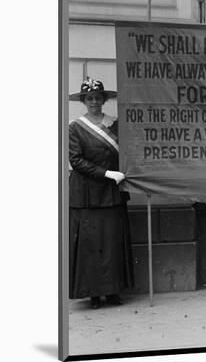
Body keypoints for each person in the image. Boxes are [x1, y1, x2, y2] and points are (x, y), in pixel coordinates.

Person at [68, 77, 134, 309]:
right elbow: (76, 160)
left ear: (104, 100)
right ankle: (93, 294)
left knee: (113, 242)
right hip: (87, 194)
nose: (94, 102)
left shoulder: (114, 124)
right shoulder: (75, 127)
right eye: (89, 98)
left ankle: (113, 292)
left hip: (112, 193)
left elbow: (126, 152)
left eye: (97, 98)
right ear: (84, 101)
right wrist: (106, 173)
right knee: (90, 245)